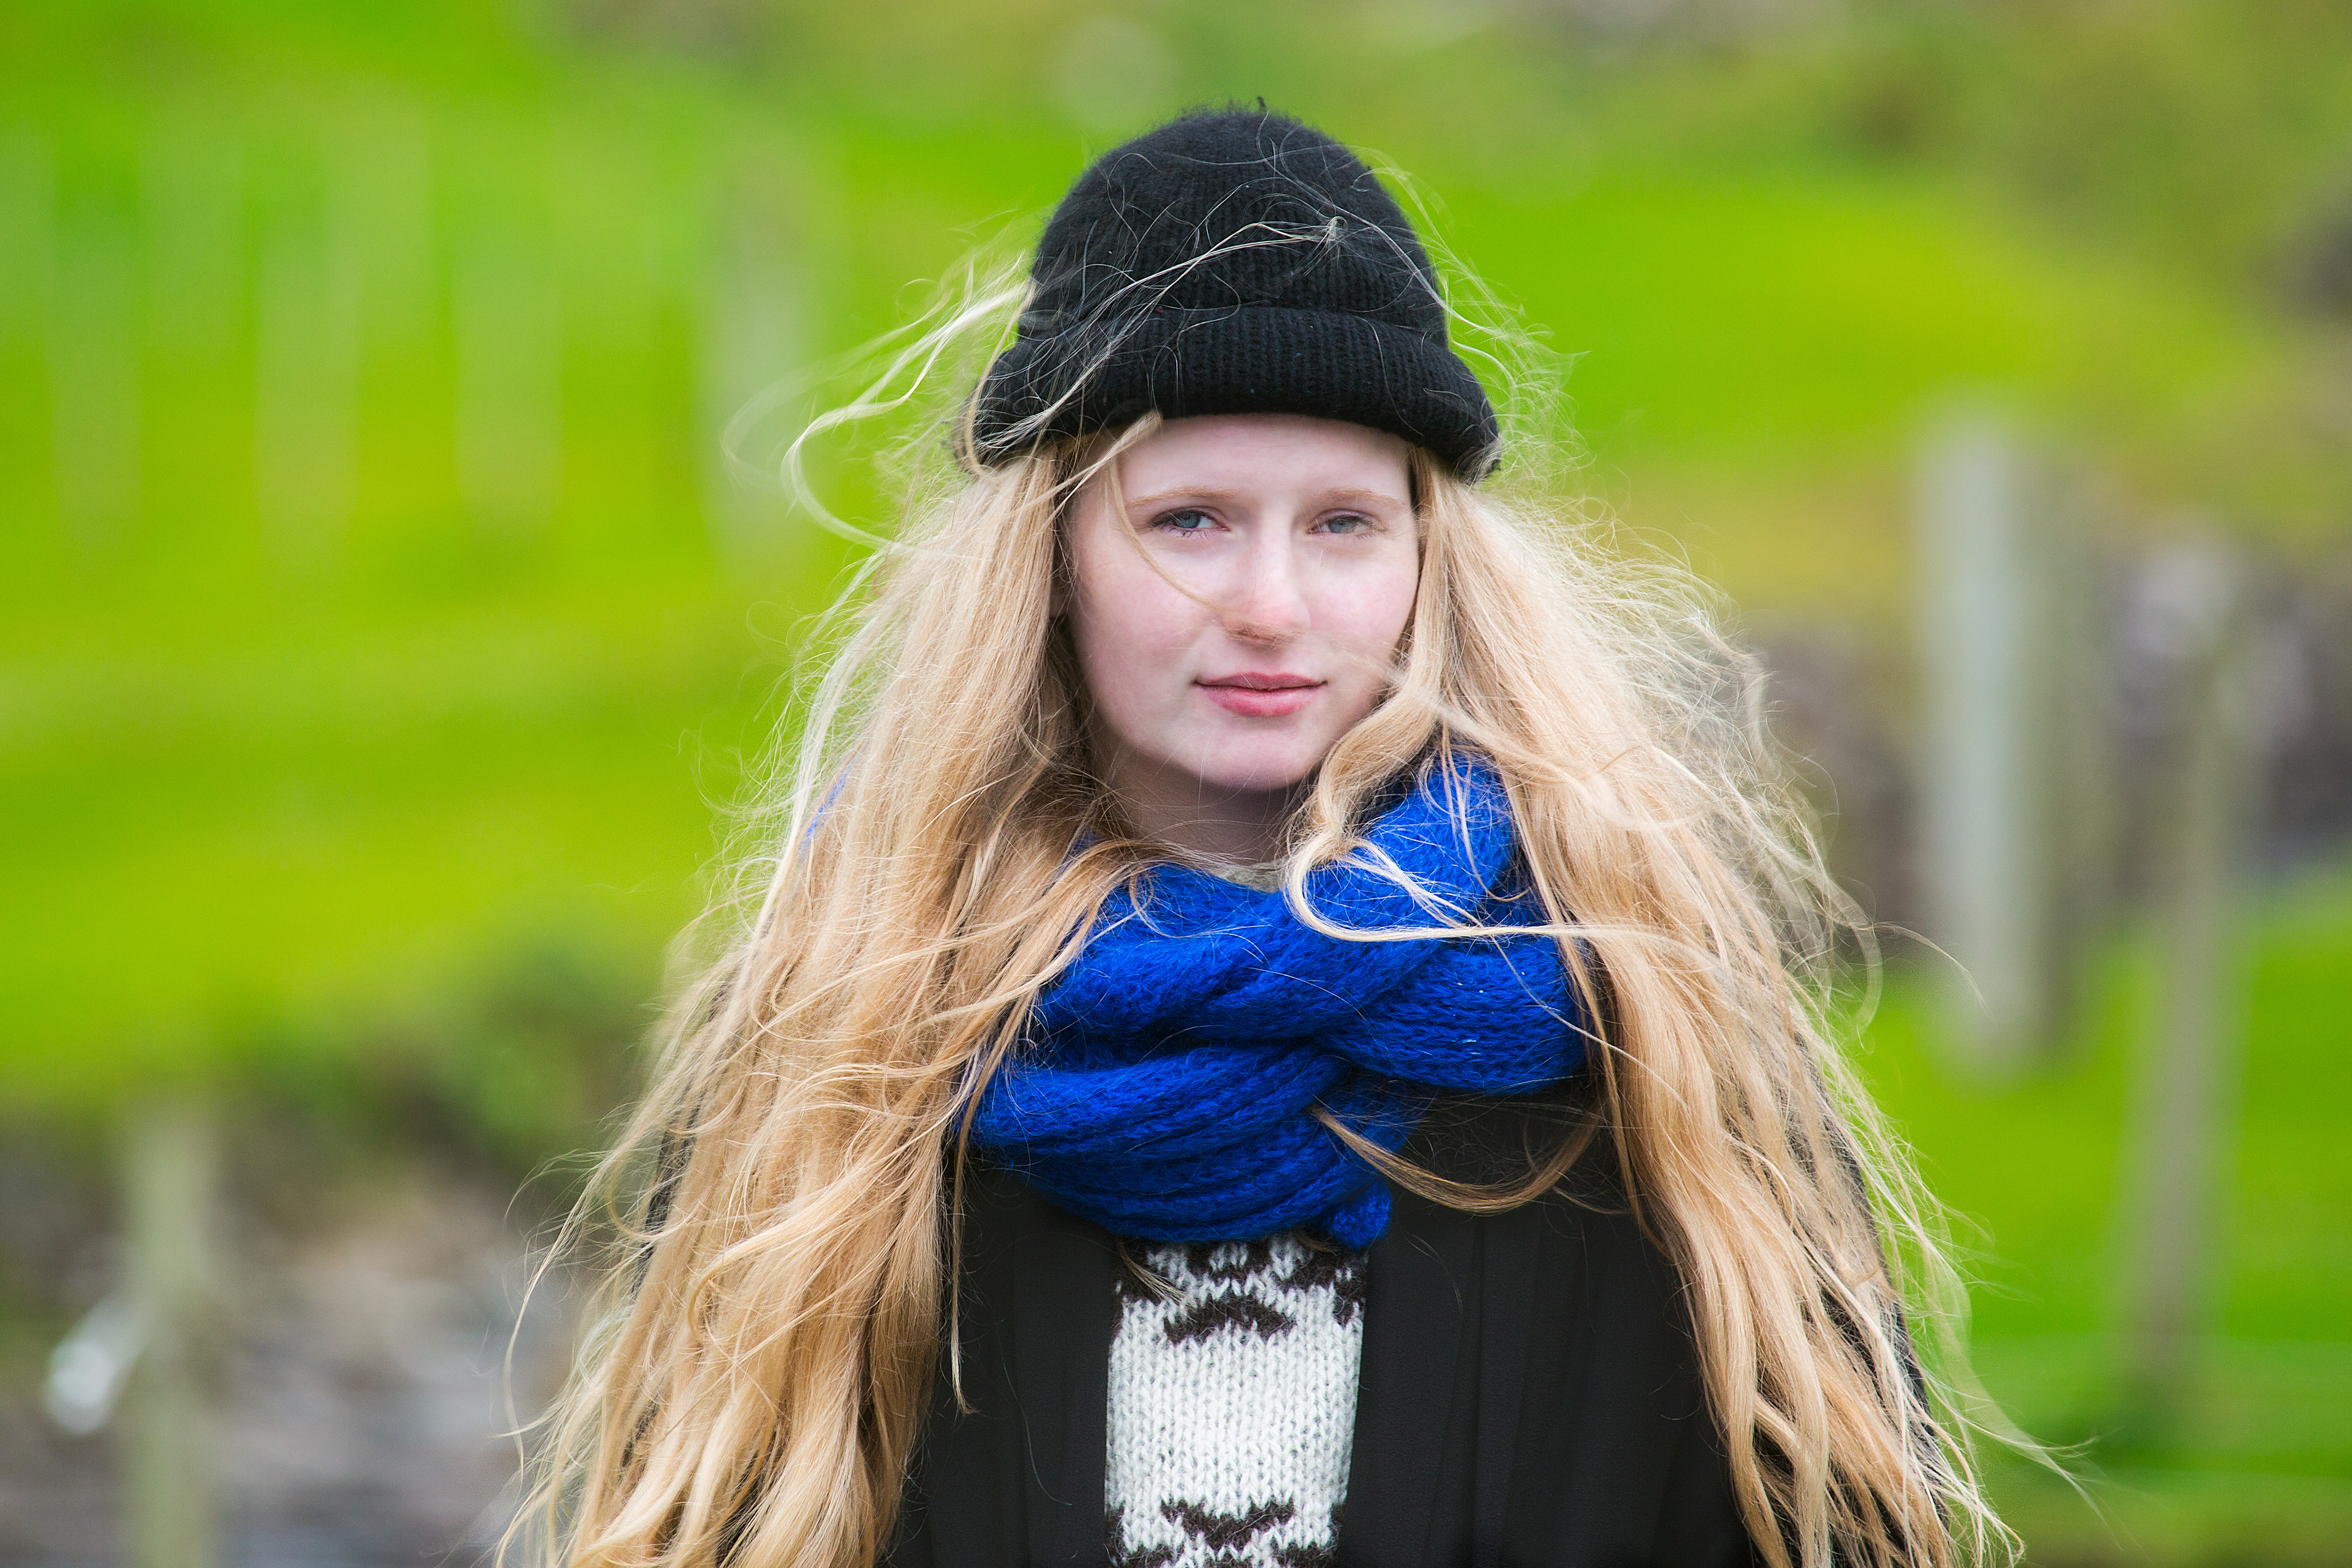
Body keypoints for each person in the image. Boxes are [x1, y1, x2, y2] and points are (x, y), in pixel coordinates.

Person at [527, 109, 2006, 1568]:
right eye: (1189, 520)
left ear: (1432, 556)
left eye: (1345, 523)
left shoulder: (1641, 1022)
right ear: (1050, 557)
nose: (1273, 604)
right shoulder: (864, 1035)